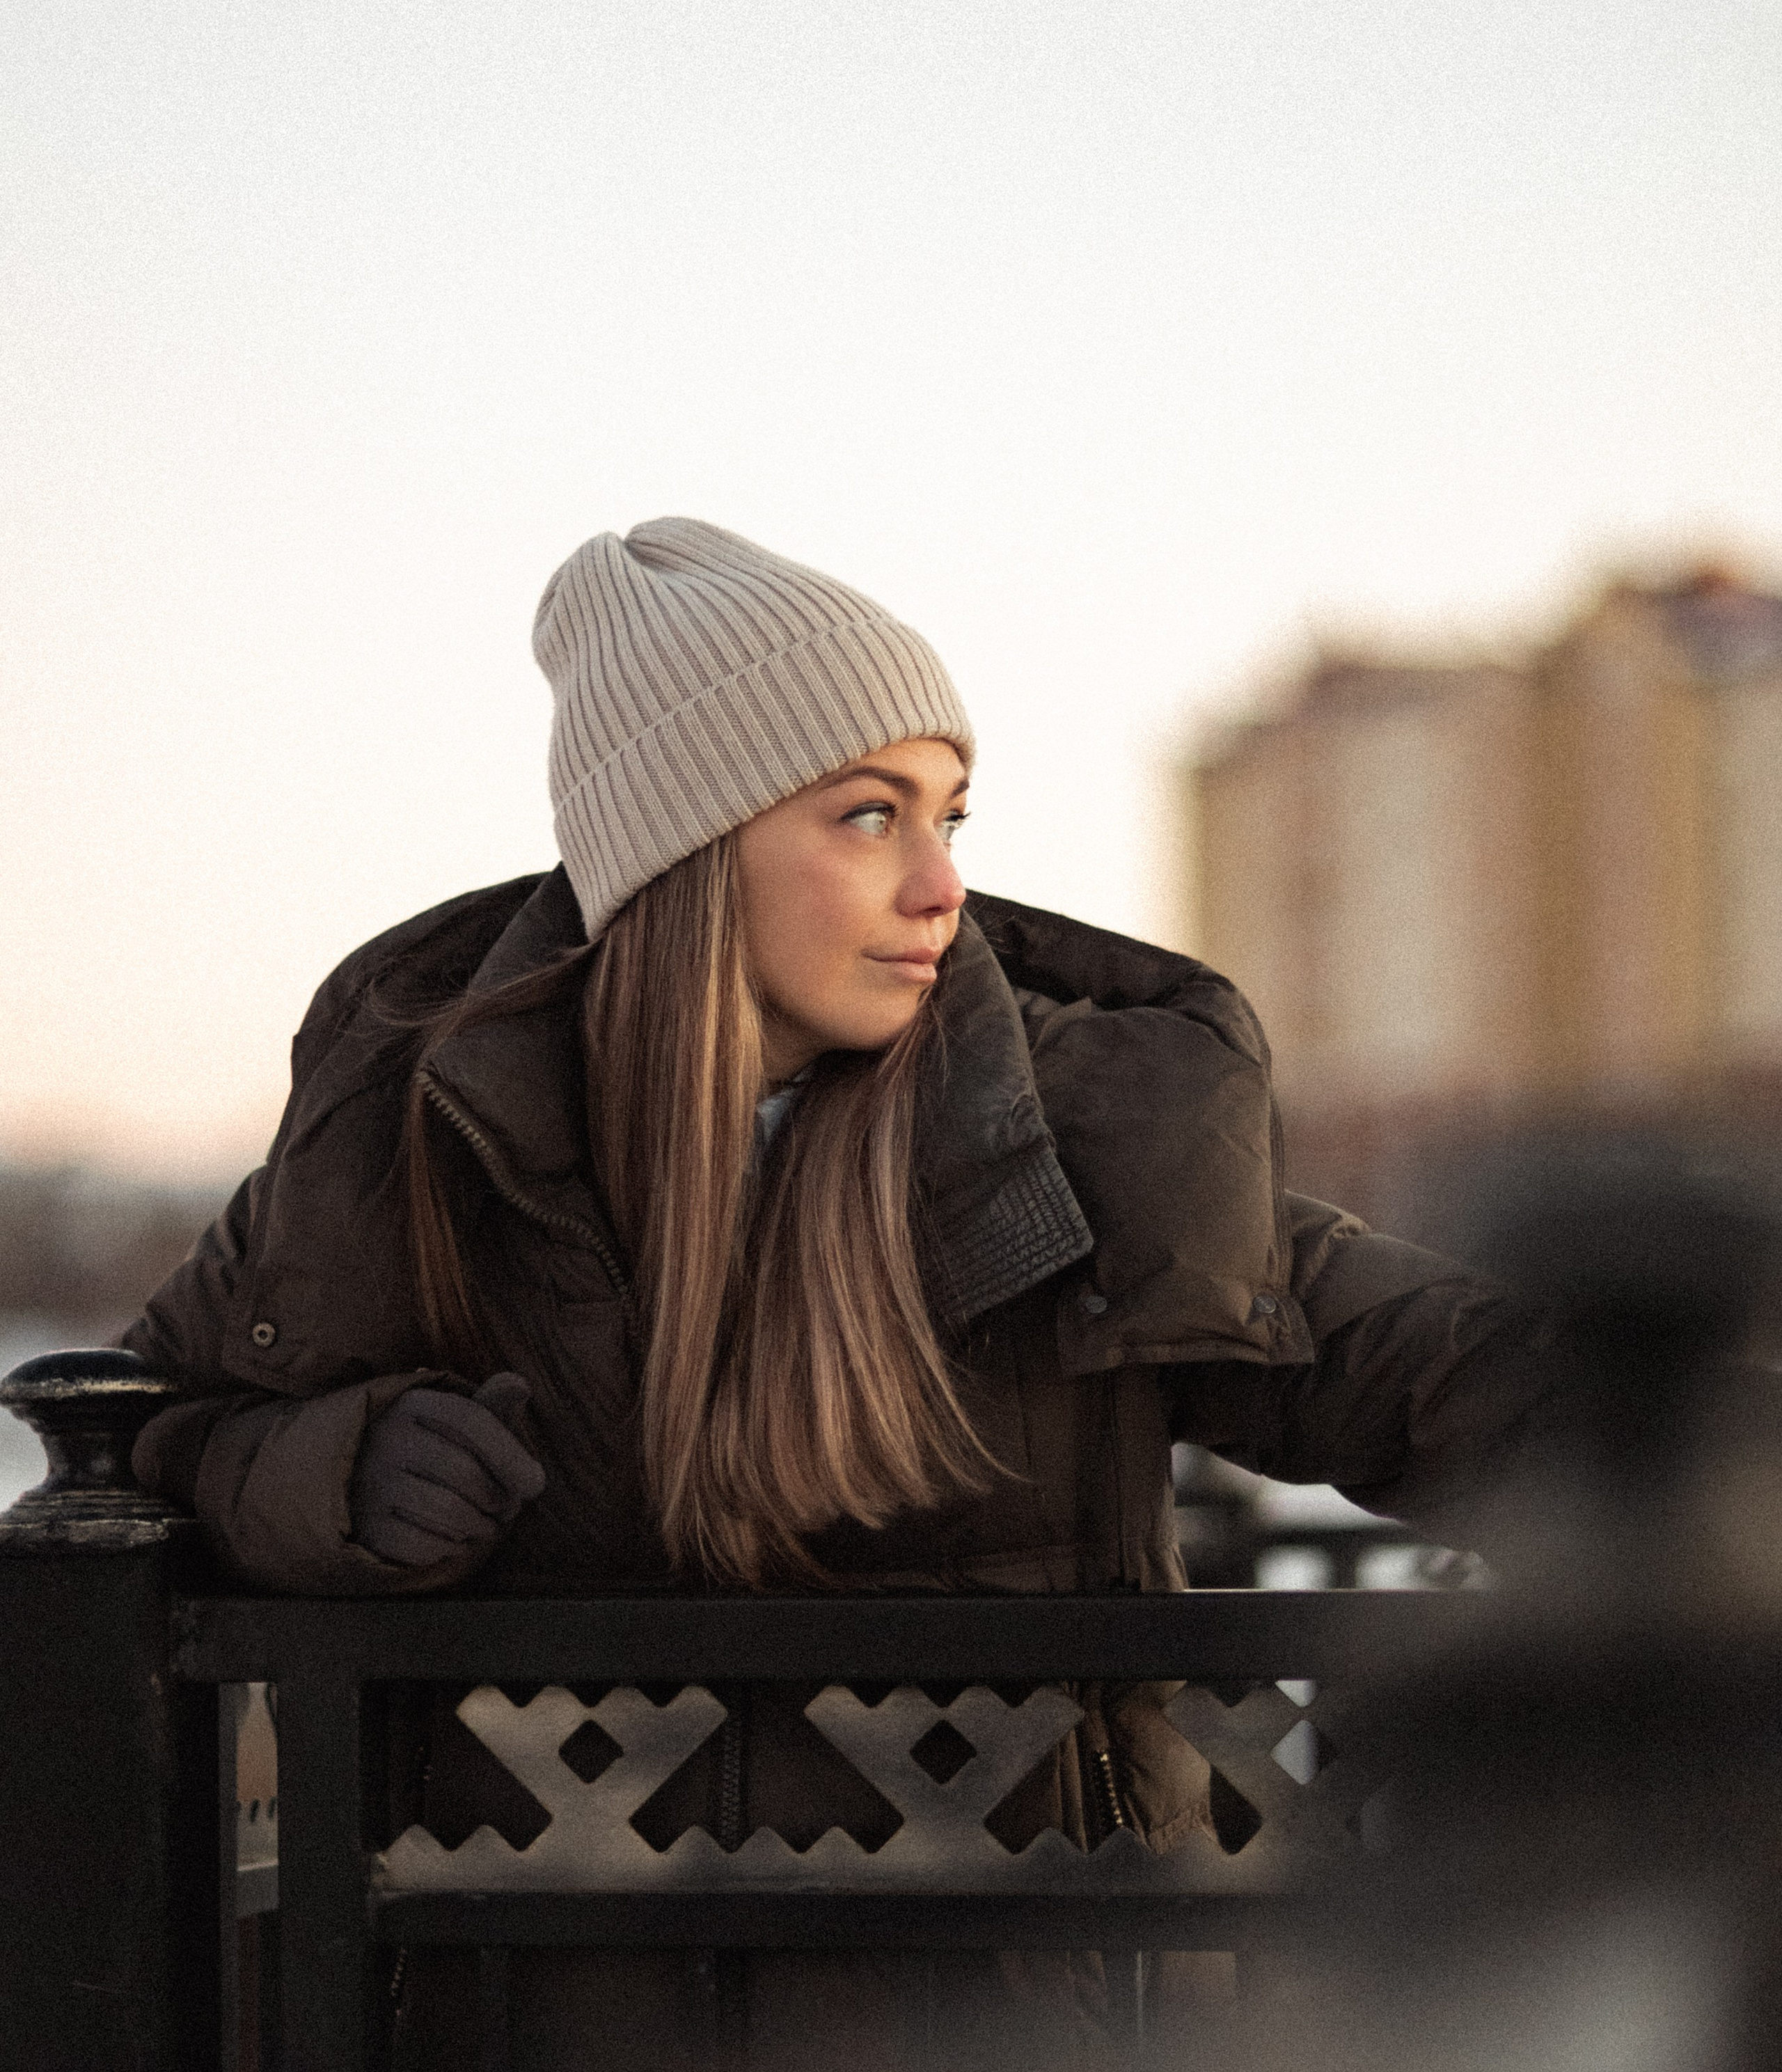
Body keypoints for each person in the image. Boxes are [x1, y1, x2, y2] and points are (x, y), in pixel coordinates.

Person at [128, 516, 1563, 1875]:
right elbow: (133, 1437)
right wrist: (333, 1471)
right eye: (869, 817)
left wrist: (1694, 1454)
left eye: (949, 816)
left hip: (1010, 2070)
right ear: (684, 854)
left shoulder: (1075, 1147)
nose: (942, 886)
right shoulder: (412, 1149)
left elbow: (1431, 1370)